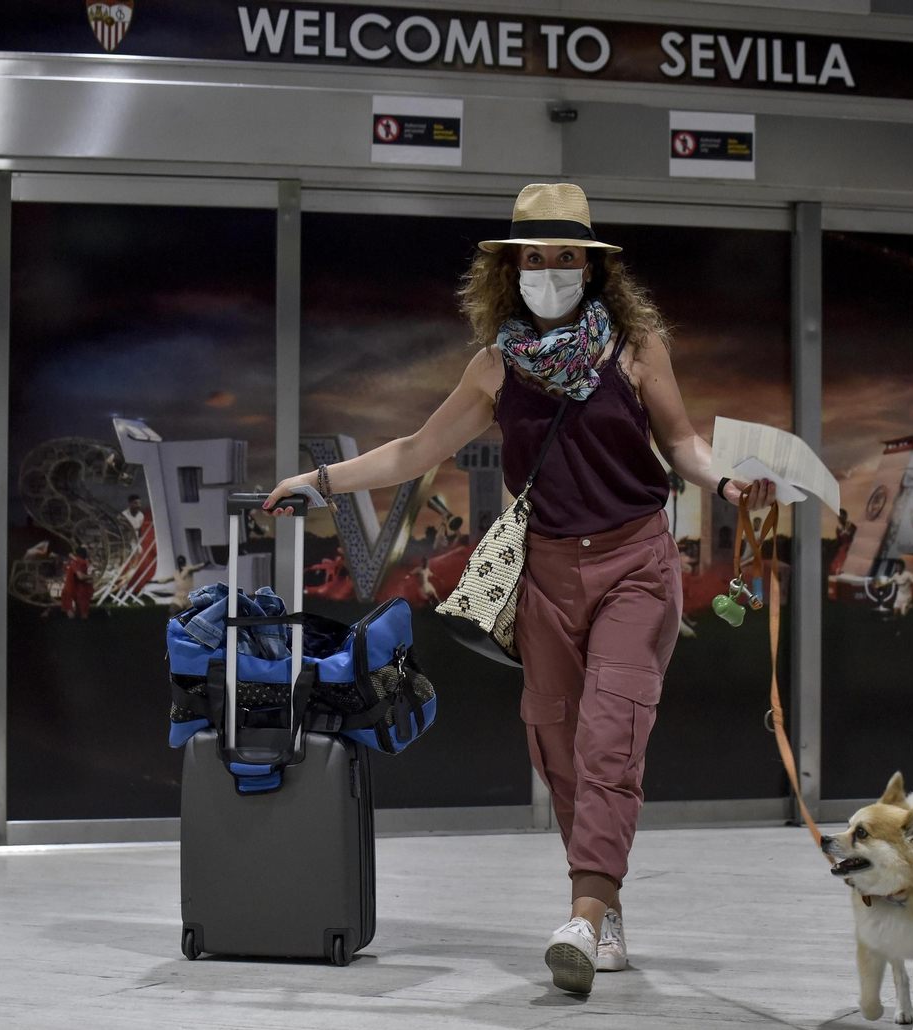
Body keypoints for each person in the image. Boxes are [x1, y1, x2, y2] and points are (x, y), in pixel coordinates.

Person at [266, 183, 773, 996]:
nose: (551, 270)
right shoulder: (496, 366)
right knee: (560, 748)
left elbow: (682, 441)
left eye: (567, 256)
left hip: (636, 566)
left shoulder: (635, 348)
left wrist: (727, 483)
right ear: (512, 268)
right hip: (546, 575)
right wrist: (319, 480)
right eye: (535, 257)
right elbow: (415, 452)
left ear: (593, 267)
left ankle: (583, 914)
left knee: (611, 736)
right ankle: (604, 906)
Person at [58, 547, 93, 619]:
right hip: (84, 586)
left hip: (73, 587)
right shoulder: (87, 562)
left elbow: (80, 576)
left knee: (68, 600)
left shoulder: (75, 563)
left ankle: (73, 618)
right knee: (83, 604)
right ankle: (82, 618)